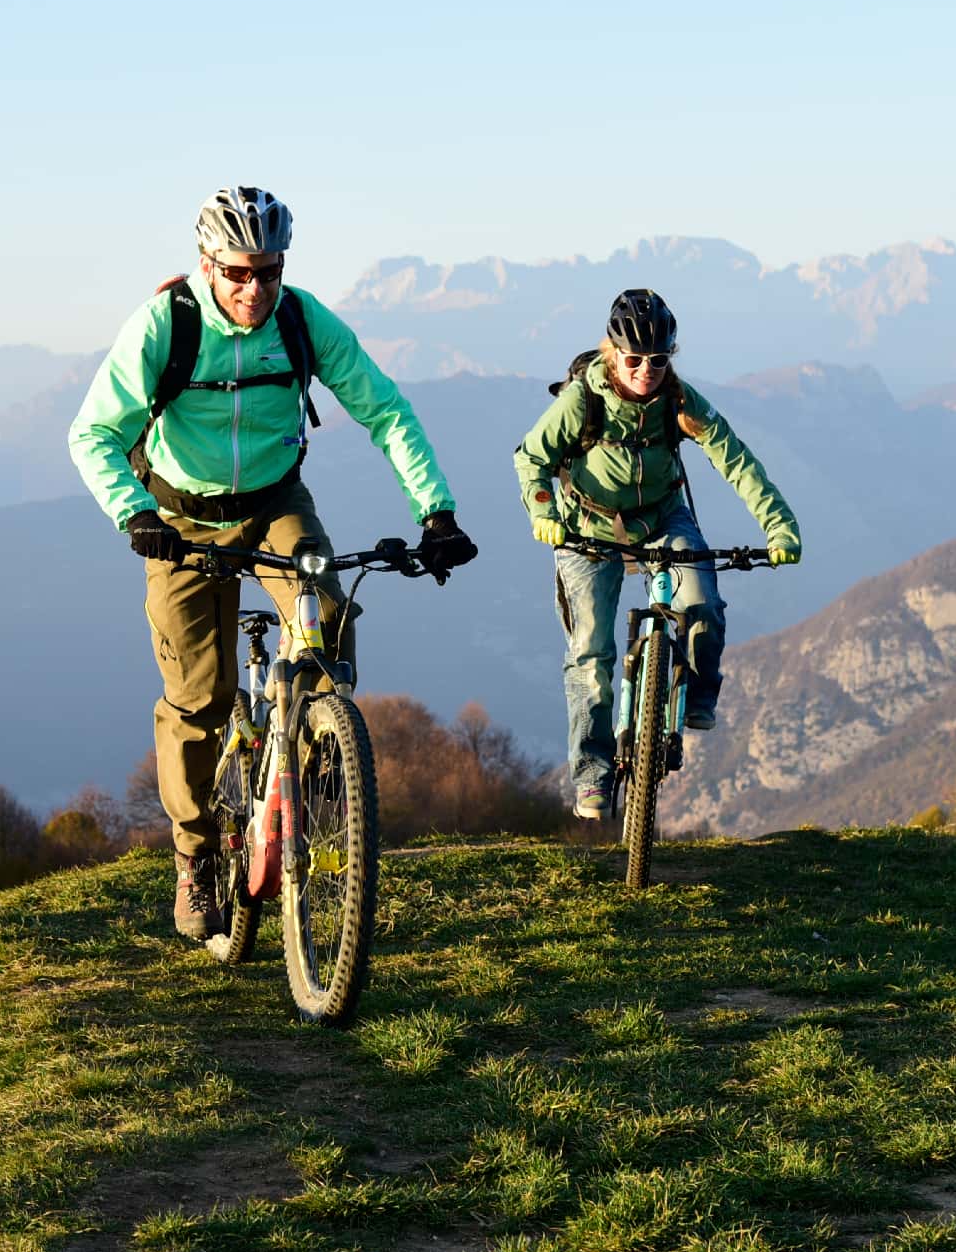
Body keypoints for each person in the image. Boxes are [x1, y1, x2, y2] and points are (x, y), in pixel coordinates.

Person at [69, 186, 477, 939]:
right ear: (207, 265)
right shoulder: (167, 324)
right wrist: (135, 513)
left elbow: (385, 410)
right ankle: (195, 858)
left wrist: (436, 511)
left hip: (273, 501)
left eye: (269, 271)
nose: (254, 288)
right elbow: (92, 434)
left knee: (327, 615)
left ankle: (317, 761)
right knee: (198, 697)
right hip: (180, 518)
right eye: (237, 273)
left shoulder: (302, 320)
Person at [513, 288, 801, 819]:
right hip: (585, 527)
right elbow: (531, 458)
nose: (646, 370)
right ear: (612, 354)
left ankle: (698, 695)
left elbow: (736, 460)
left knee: (702, 602)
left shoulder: (680, 400)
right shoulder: (582, 400)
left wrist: (779, 525)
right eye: (634, 360)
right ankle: (593, 774)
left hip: (662, 518)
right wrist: (543, 512)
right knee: (591, 656)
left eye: (659, 359)